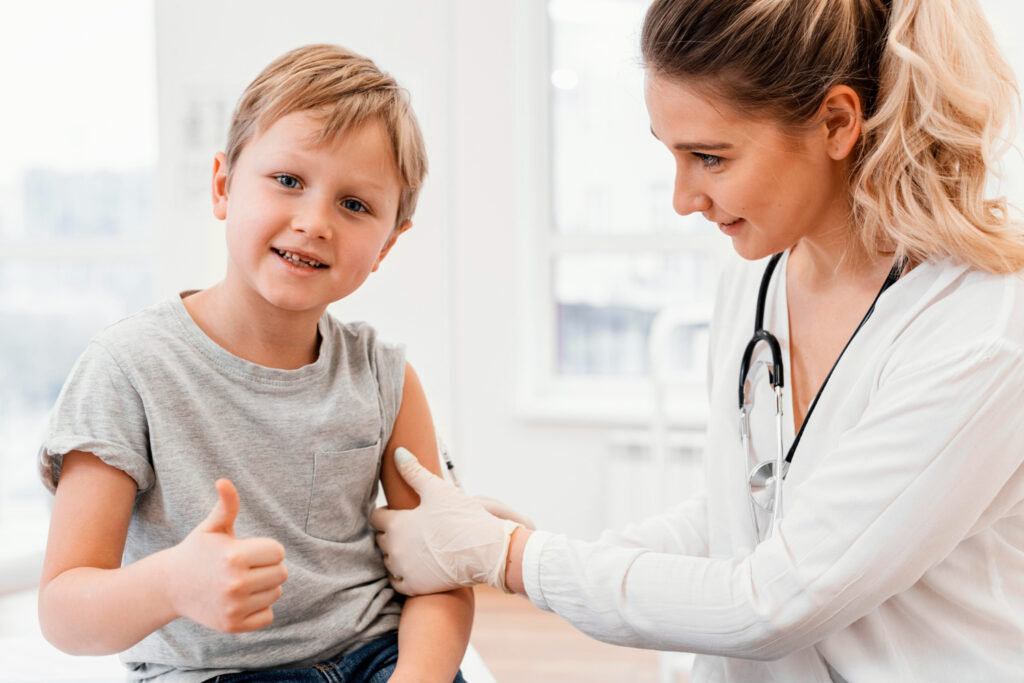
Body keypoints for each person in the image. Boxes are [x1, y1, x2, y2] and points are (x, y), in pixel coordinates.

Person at [371, 0, 1024, 680]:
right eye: (673, 154)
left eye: (710, 157)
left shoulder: (979, 329)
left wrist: (511, 556)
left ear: (836, 122)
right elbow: (736, 515)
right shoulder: (759, 279)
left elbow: (774, 599)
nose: (684, 197)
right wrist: (531, 548)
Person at [37, 44, 472, 683]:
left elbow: (440, 577)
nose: (314, 222)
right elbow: (62, 612)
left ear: (388, 244)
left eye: (355, 205)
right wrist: (171, 586)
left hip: (378, 658)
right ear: (223, 185)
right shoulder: (127, 369)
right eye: (289, 181)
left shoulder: (386, 378)